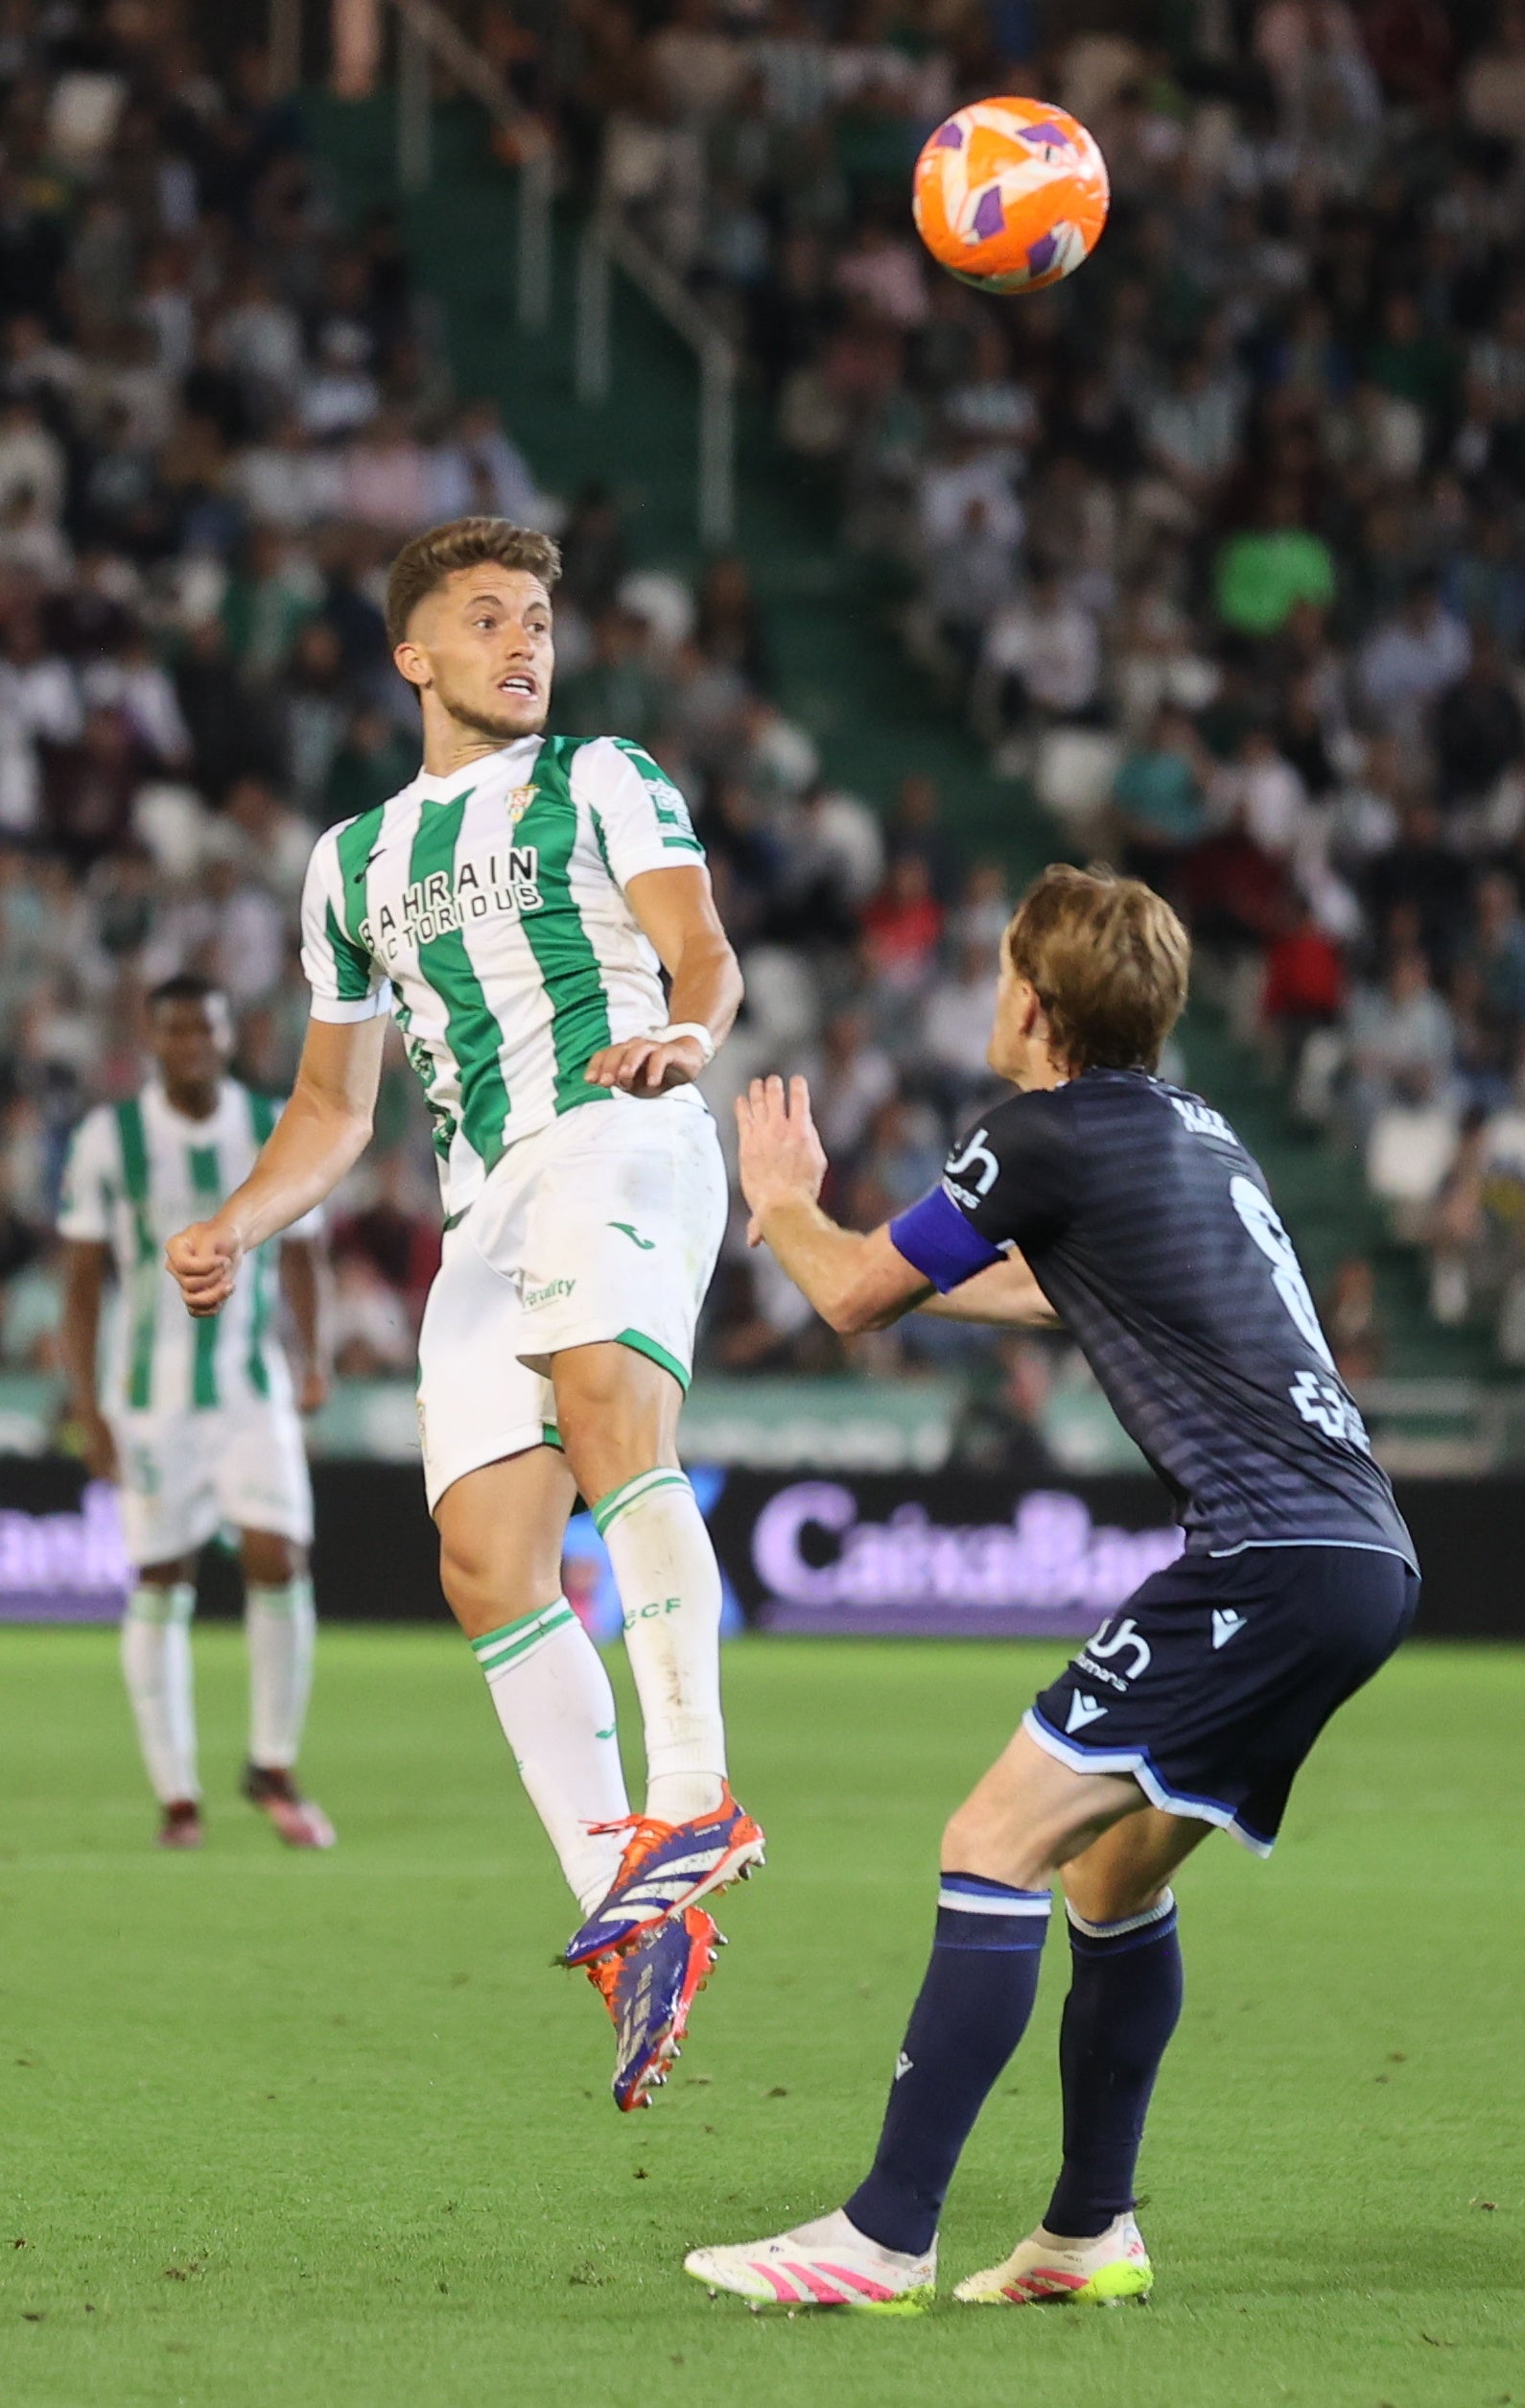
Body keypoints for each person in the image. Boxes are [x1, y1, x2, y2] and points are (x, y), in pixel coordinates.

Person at [688, 863, 1417, 2310]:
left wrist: (782, 1204)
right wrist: (866, 1253)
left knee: (992, 1837)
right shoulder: (1195, 1129)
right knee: (1107, 1871)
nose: (992, 986)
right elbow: (1045, 1283)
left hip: (1266, 1556)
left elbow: (851, 1298)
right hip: (1363, 1552)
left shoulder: (1040, 1131)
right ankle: (1087, 2231)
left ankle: (882, 2234)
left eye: (1003, 966)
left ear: (1032, 1002)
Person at [162, 516, 763, 2112]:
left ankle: (692, 1795)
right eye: (488, 618)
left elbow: (703, 953)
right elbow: (330, 1108)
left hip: (622, 1124)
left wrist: (688, 1039)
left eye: (537, 620)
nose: (524, 642)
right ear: (411, 654)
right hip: (486, 1203)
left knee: (609, 1409)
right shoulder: (351, 864)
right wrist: (237, 1222)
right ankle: (636, 1920)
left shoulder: (603, 777)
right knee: (485, 1559)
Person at [57, 976, 333, 1852]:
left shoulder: (270, 1125)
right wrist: (87, 1406)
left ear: (226, 1037)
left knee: (279, 1554)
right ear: (152, 1039)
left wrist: (314, 1356)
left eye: (204, 1029)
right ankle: (177, 1796)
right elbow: (80, 1282)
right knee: (161, 1575)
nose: (190, 1045)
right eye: (174, 1030)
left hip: (251, 1386)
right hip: (148, 1399)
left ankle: (272, 1765)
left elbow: (304, 1253)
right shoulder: (109, 1139)